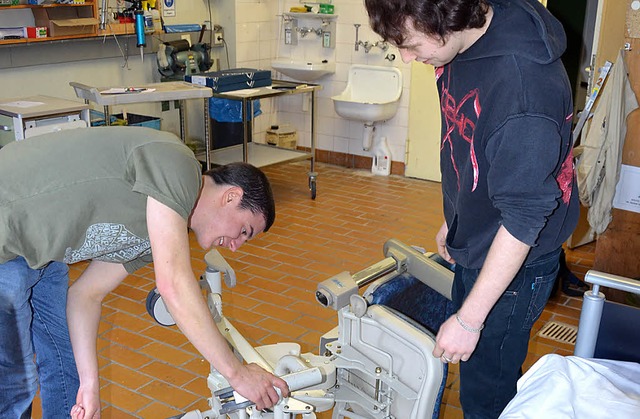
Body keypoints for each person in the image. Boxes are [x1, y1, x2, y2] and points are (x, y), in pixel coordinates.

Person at [363, 0, 579, 417]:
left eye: (409, 44)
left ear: (445, 17)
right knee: (478, 367)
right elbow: (470, 144)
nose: (408, 59)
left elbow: (523, 219)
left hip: (519, 256)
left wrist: (469, 321)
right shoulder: (469, 30)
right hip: (484, 231)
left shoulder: (523, 91)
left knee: (486, 388)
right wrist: (456, 215)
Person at [0, 126, 289, 419]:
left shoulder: (155, 234)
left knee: (67, 371)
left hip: (43, 255)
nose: (236, 246)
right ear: (231, 196)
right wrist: (237, 374)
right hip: (6, 230)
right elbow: (173, 284)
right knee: (14, 381)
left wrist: (91, 385)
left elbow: (86, 296)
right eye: (243, 231)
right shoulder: (178, 164)